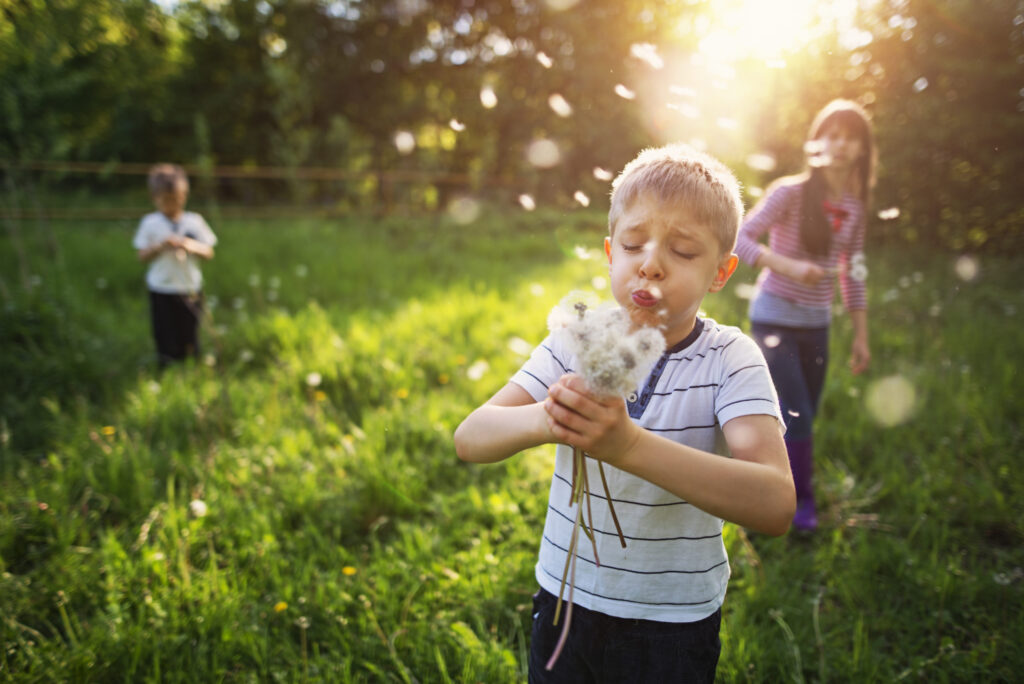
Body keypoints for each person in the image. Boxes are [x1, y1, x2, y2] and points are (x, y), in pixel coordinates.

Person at [454, 144, 795, 683]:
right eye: (635, 244)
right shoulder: (576, 342)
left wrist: (627, 447)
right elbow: (471, 438)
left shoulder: (730, 360)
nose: (651, 263)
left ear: (720, 272)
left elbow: (775, 504)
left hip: (670, 625)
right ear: (612, 253)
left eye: (683, 252)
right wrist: (549, 419)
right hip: (564, 602)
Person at [734, 99, 875, 532]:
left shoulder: (853, 208)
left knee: (801, 413)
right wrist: (790, 266)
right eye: (832, 134)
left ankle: (762, 485)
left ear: (862, 150)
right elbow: (740, 238)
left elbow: (852, 270)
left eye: (851, 137)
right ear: (817, 141)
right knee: (797, 414)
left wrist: (861, 334)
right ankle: (798, 503)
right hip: (774, 317)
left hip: (817, 324)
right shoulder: (788, 194)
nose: (841, 144)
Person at [132, 164, 217, 368]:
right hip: (161, 288)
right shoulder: (150, 223)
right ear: (155, 198)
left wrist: (189, 245)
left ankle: (191, 368)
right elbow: (141, 256)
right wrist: (161, 246)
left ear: (184, 195)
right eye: (167, 200)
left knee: (190, 331)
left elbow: (209, 252)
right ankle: (167, 367)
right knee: (164, 332)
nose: (173, 204)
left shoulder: (194, 221)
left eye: (178, 199)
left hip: (190, 288)